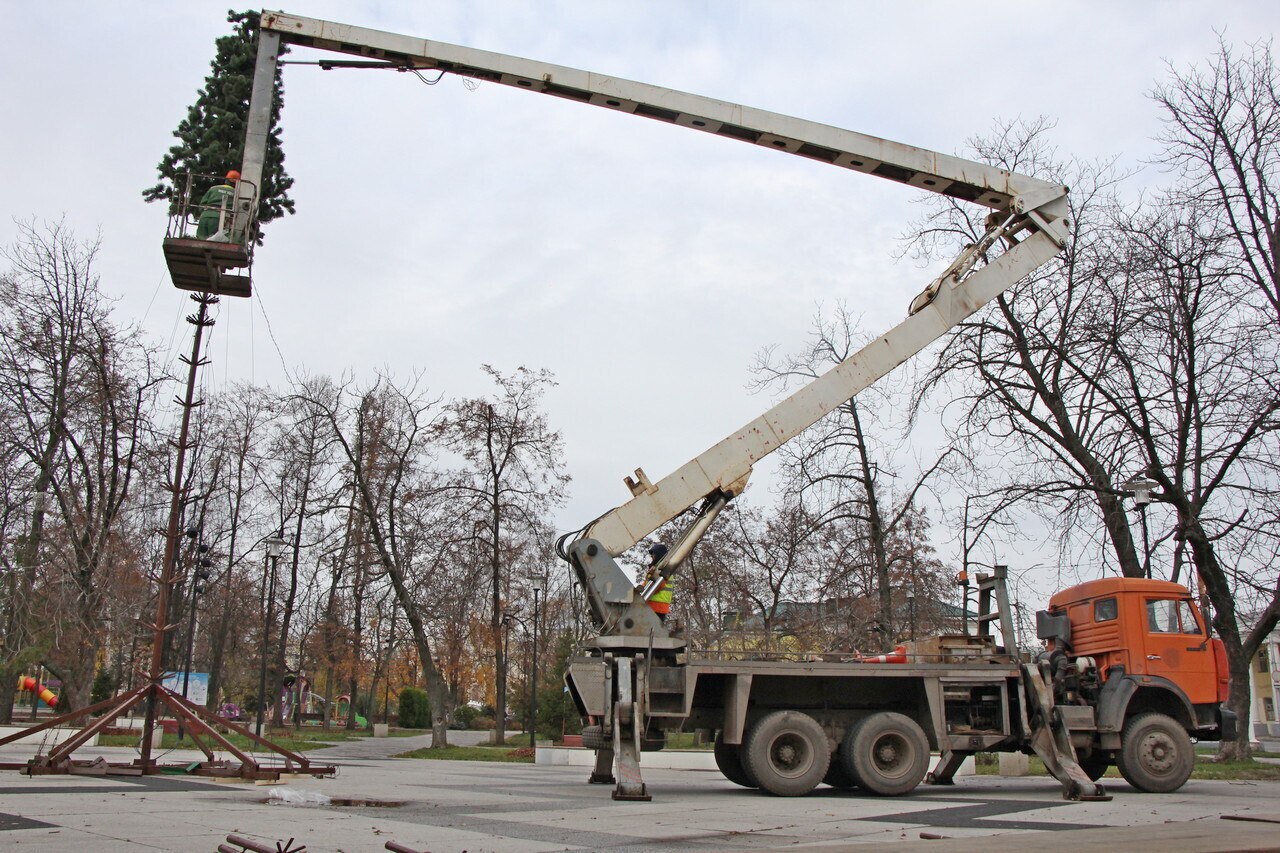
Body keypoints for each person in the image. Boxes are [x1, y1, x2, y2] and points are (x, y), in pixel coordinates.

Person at [195, 170, 240, 240]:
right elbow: (237, 211)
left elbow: (201, 205)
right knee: (216, 241)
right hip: (220, 219)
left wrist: (204, 214)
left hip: (205, 216)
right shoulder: (236, 194)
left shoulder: (213, 188)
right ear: (237, 184)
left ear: (226, 180)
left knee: (200, 240)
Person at [644, 543, 673, 623]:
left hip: (656, 607)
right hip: (658, 607)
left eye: (653, 554)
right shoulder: (658, 568)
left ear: (659, 555)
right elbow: (646, 585)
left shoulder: (662, 569)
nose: (652, 556)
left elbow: (656, 587)